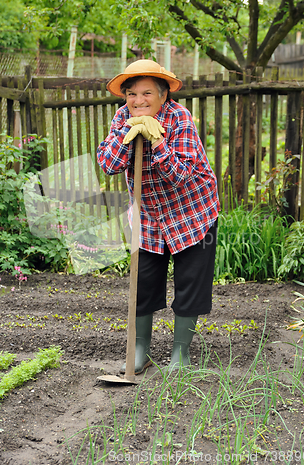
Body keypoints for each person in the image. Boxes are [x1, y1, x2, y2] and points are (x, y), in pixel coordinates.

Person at [97, 59, 220, 373]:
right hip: (148, 216)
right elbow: (109, 165)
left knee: (189, 282)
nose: (138, 101)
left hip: (191, 214)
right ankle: (140, 350)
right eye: (132, 94)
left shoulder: (180, 119)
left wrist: (157, 140)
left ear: (164, 95)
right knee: (144, 283)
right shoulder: (123, 116)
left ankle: (181, 353)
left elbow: (179, 175)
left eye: (147, 93)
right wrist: (128, 133)